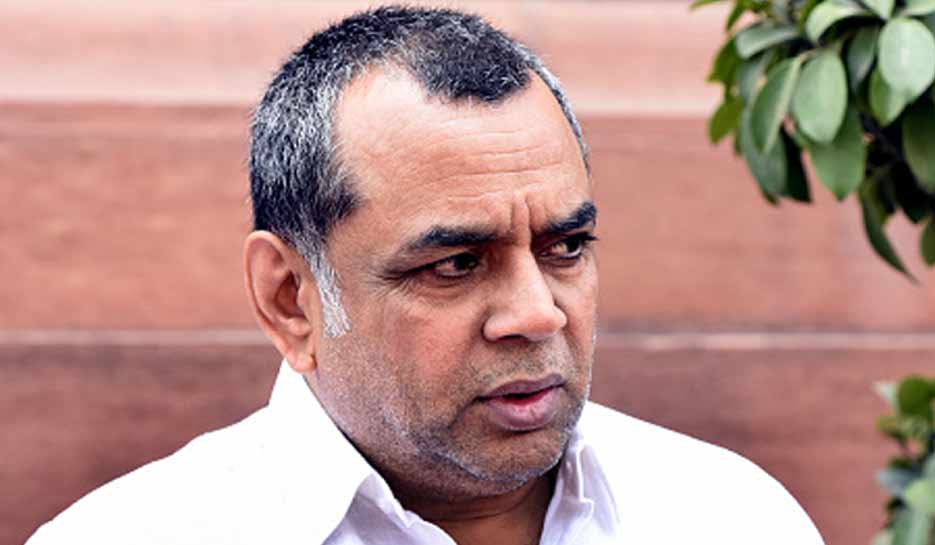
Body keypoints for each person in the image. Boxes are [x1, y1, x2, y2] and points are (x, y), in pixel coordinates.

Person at [27, 6, 825, 545]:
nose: (537, 313)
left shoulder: (729, 516)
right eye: (455, 264)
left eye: (566, 247)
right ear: (291, 299)